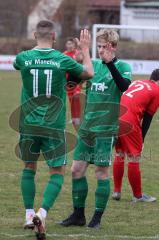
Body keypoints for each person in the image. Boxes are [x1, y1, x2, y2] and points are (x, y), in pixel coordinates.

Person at [13, 20, 93, 240]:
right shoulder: (62, 60)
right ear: (55, 36)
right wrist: (85, 50)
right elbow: (88, 73)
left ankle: (29, 214)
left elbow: (18, 65)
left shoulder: (23, 58)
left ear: (33, 34)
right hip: (53, 126)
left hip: (28, 124)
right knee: (56, 172)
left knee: (28, 168)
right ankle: (42, 212)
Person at [60, 29, 132, 228]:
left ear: (114, 47)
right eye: (98, 47)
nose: (100, 51)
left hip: (106, 129)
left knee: (101, 172)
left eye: (104, 47)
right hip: (87, 129)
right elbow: (70, 84)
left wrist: (110, 64)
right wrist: (77, 64)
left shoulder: (123, 66)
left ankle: (97, 218)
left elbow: (124, 86)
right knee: (76, 170)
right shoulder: (94, 66)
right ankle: (78, 215)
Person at [112, 69, 159, 203]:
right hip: (130, 120)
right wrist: (142, 140)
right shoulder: (156, 90)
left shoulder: (138, 82)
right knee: (134, 157)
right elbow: (148, 118)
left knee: (120, 154)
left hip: (117, 115)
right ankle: (137, 196)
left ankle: (117, 191)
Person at [64, 37, 82, 127]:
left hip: (77, 81)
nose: (69, 45)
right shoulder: (64, 55)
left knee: (76, 97)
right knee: (71, 100)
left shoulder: (77, 53)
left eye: (71, 44)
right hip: (67, 82)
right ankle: (74, 118)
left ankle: (78, 118)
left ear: (74, 45)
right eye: (68, 44)